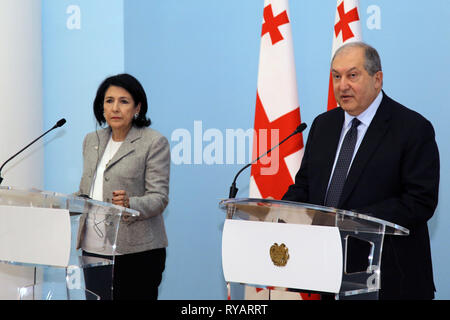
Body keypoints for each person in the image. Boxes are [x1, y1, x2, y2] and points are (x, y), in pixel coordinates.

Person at [282, 42, 440, 300]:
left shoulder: (412, 128)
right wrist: (280, 213)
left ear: (377, 79)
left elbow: (420, 201)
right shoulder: (323, 126)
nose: (342, 85)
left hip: (390, 282)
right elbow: (305, 187)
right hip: (329, 274)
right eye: (336, 76)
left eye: (352, 75)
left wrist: (350, 220)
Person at [76, 73, 170, 300]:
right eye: (109, 101)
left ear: (137, 107)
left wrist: (131, 203)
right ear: (102, 107)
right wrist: (57, 203)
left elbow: (159, 197)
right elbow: (87, 191)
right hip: (93, 251)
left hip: (137, 252)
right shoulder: (92, 140)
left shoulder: (153, 142)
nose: (115, 108)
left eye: (124, 101)